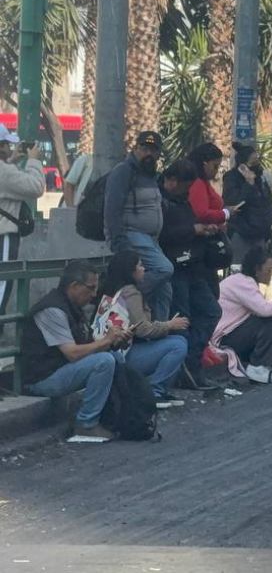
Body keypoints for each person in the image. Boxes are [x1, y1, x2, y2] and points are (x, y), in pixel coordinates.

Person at [20, 261, 126, 443]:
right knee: (104, 361)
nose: (93, 295)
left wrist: (113, 341)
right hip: (42, 379)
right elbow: (72, 353)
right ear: (74, 286)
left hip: (61, 370)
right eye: (90, 288)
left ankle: (118, 414)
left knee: (114, 357)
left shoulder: (73, 307)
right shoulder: (52, 309)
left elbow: (87, 345)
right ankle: (86, 424)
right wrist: (105, 341)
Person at [97, 249, 191, 409]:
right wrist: (169, 325)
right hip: (123, 354)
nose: (144, 269)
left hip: (111, 353)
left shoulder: (111, 290)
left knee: (177, 341)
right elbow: (143, 329)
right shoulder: (130, 292)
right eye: (140, 265)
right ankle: (155, 392)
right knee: (178, 345)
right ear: (130, 271)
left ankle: (158, 390)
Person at [158, 159, 221, 392]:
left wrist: (203, 230)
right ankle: (183, 368)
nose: (187, 192)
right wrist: (191, 229)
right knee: (181, 319)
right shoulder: (159, 200)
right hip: (174, 268)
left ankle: (192, 360)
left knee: (211, 311)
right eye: (185, 187)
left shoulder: (182, 201)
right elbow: (161, 233)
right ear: (171, 181)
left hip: (193, 266)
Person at [104, 131, 171, 319]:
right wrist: (120, 242)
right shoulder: (123, 172)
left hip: (151, 239)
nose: (148, 153)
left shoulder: (151, 176)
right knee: (165, 269)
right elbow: (112, 210)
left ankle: (160, 333)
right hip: (131, 235)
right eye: (144, 148)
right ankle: (128, 294)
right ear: (136, 148)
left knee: (165, 291)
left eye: (153, 150)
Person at [209, 246, 272, 383]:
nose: (271, 275)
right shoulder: (242, 282)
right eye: (269, 271)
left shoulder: (243, 281)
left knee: (271, 316)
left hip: (230, 332)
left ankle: (261, 363)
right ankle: (261, 365)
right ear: (257, 270)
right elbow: (264, 309)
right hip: (224, 337)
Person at [0, 125, 44, 310]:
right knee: (3, 282)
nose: (10, 148)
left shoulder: (5, 168)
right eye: (6, 145)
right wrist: (34, 161)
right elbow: (36, 187)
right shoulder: (4, 170)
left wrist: (10, 161)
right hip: (4, 234)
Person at [222, 142, 272, 265]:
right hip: (241, 232)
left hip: (260, 232)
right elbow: (235, 202)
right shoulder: (232, 178)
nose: (256, 165)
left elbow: (267, 201)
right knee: (239, 268)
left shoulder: (260, 178)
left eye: (257, 161)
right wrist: (248, 183)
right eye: (252, 162)